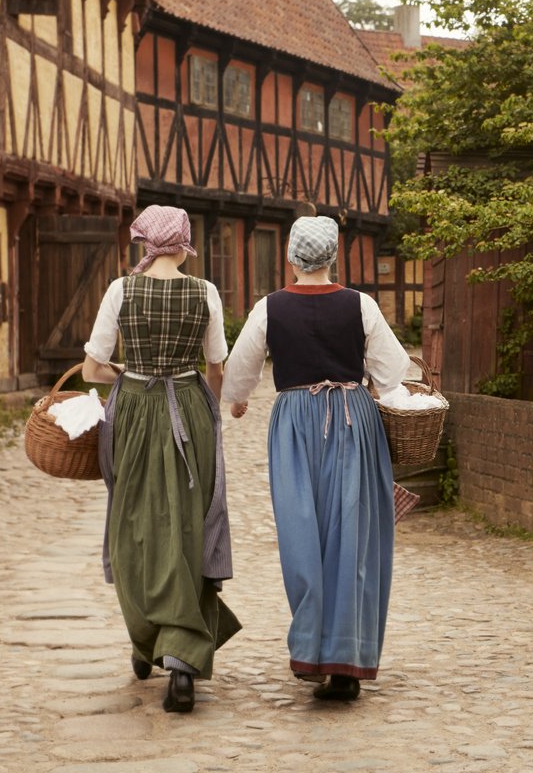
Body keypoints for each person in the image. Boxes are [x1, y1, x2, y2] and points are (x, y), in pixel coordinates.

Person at [221, 215, 412, 701]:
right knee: (352, 534)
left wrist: (240, 400)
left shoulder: (269, 308)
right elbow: (392, 374)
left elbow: (239, 371)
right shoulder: (361, 305)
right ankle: (347, 661)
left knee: (301, 531)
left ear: (290, 256)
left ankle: (312, 650)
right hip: (353, 419)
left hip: (294, 425)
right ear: (333, 256)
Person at [82, 205, 241, 713]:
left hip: (132, 409)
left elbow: (92, 368)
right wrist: (207, 407)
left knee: (134, 525)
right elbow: (215, 366)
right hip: (189, 410)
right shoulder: (206, 292)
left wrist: (130, 373)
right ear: (184, 240)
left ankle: (148, 639)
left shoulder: (120, 290)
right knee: (189, 524)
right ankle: (177, 655)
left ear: (144, 240)